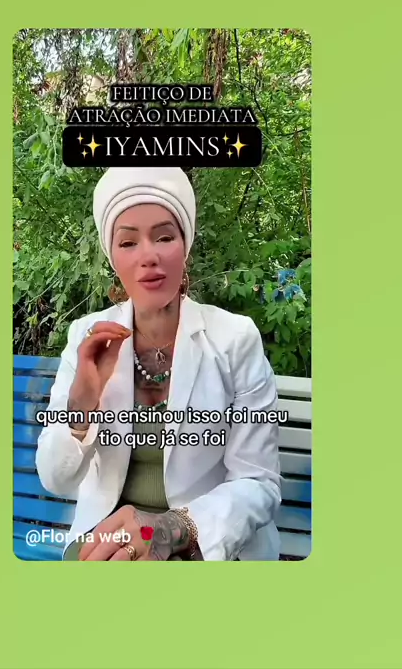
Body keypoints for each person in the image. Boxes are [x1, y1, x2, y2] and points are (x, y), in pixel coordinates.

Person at [36, 167, 281, 561]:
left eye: (165, 237)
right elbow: (55, 479)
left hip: (203, 541)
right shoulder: (87, 337)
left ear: (185, 246)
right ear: (112, 257)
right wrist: (81, 406)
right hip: (106, 538)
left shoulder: (235, 339)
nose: (148, 256)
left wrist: (170, 529)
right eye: (128, 242)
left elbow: (258, 482)